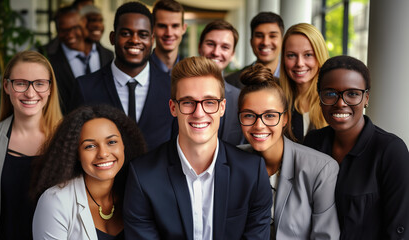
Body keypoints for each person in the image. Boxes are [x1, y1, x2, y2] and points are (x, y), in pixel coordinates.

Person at [123, 56, 272, 239]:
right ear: (173, 108)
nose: (199, 113)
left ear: (222, 107)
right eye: (188, 102)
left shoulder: (252, 172)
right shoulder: (142, 176)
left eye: (209, 102)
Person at [304, 55, 409, 239]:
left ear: (366, 98)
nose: (340, 103)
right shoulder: (312, 143)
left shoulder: (391, 151)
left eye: (352, 93)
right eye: (330, 93)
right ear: (319, 97)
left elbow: (399, 230)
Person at [237, 63, 339, 239]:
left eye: (270, 115)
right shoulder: (231, 162)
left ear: (285, 119)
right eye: (249, 115)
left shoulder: (321, 169)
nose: (259, 125)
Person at [71, 1, 177, 151]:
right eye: (126, 33)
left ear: (152, 40)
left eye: (143, 34)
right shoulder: (85, 88)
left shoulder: (172, 88)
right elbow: (74, 147)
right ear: (112, 38)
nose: (134, 40)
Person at [0, 51, 62, 240]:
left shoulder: (68, 139)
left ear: (50, 88)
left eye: (39, 83)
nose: (30, 92)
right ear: (7, 86)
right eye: (21, 83)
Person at [32, 105, 146, 239]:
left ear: (124, 145)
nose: (103, 154)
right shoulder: (55, 202)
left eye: (111, 142)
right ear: (76, 154)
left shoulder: (139, 192)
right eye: (90, 146)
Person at [48, 6, 113, 115]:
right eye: (63, 30)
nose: (70, 34)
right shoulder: (50, 59)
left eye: (75, 28)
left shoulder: (108, 55)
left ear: (83, 24)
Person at [198, 20, 245, 145]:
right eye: (210, 44)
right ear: (199, 47)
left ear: (232, 54)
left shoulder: (239, 98)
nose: (216, 52)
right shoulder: (175, 92)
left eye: (225, 47)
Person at [279, 23, 328, 142]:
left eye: (308, 55)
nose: (300, 63)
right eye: (291, 55)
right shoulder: (276, 100)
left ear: (319, 56)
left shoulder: (333, 101)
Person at [226, 12, 284, 89]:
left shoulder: (294, 80)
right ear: (251, 41)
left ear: (282, 41)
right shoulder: (231, 82)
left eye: (272, 36)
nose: (265, 42)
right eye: (259, 36)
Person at [151, 0, 187, 75]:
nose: (169, 33)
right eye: (162, 26)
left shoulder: (190, 71)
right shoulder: (141, 70)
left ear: (183, 28)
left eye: (175, 26)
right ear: (152, 28)